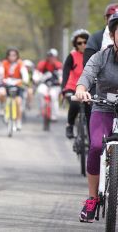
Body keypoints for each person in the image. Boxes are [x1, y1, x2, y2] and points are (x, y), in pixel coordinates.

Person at [76, 13, 118, 223]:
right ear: (112, 34)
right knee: (94, 146)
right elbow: (86, 76)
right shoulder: (101, 56)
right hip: (103, 107)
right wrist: (82, 90)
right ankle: (92, 198)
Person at [62, 29, 90, 139]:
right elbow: (65, 73)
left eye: (85, 42)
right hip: (72, 87)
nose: (83, 45)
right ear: (75, 44)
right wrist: (64, 89)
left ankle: (90, 133)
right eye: (79, 43)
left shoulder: (94, 54)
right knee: (74, 104)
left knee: (90, 110)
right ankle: (69, 125)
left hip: (88, 87)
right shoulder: (72, 56)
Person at [0, 48, 29, 130]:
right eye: (10, 55)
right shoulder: (4, 63)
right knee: (1, 93)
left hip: (17, 84)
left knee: (18, 102)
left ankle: (18, 121)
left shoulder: (20, 63)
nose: (12, 57)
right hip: (6, 83)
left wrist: (25, 79)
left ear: (17, 56)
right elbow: (0, 71)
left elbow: (24, 72)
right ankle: (2, 107)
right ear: (7, 56)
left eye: (14, 55)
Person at [33, 48, 62, 121]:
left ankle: (54, 115)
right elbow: (37, 73)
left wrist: (60, 80)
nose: (51, 58)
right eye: (50, 56)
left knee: (53, 96)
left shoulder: (58, 64)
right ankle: (41, 109)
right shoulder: (42, 63)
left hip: (55, 85)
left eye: (53, 56)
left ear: (56, 57)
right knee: (39, 92)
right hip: (45, 84)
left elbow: (61, 75)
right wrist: (36, 79)